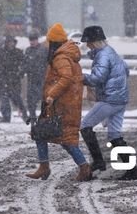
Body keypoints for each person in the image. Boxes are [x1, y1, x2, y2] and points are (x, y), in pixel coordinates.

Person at [25, 23, 91, 182]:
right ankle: (45, 166)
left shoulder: (61, 57)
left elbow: (66, 78)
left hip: (63, 105)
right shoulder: (65, 54)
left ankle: (84, 168)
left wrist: (52, 94)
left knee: (64, 139)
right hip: (63, 104)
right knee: (43, 134)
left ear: (54, 42)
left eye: (49, 42)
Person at [79, 25, 137, 180]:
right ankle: (132, 171)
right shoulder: (111, 52)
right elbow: (126, 70)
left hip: (110, 100)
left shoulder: (103, 56)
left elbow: (97, 78)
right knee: (114, 135)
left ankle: (98, 161)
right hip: (120, 99)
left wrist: (79, 77)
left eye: (88, 42)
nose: (87, 45)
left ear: (94, 42)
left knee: (85, 126)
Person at [0, 35, 28, 123]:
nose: (11, 44)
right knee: (4, 100)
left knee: (17, 99)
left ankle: (24, 114)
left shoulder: (18, 52)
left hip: (14, 80)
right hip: (3, 79)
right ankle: (6, 117)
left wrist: (20, 73)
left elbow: (24, 64)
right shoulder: (0, 52)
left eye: (12, 42)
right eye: (9, 42)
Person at [23, 31, 48, 120]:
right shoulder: (28, 50)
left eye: (33, 40)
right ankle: (33, 117)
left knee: (43, 99)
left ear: (37, 40)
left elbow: (46, 63)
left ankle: (44, 117)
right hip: (32, 78)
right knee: (31, 100)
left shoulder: (43, 50)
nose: (32, 42)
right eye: (30, 40)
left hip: (41, 78)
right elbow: (25, 63)